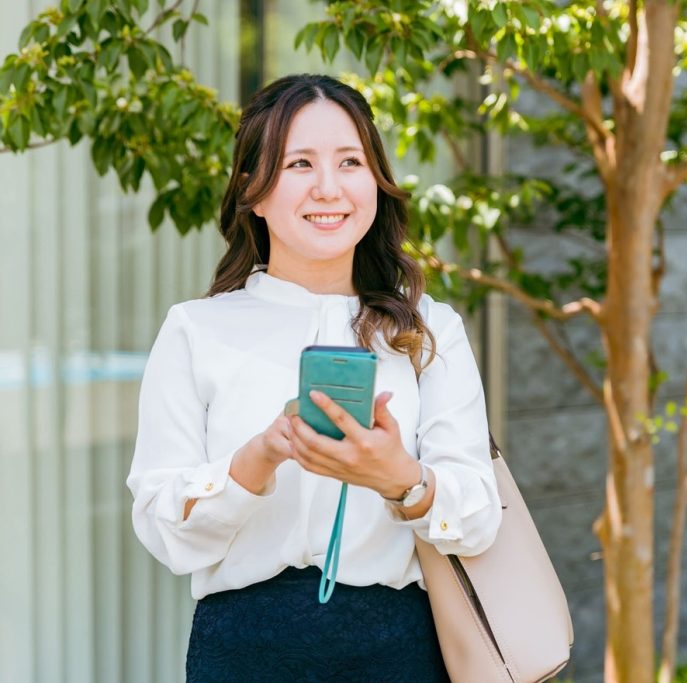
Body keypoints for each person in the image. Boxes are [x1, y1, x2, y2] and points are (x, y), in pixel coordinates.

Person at [126, 73, 502, 682]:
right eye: (300, 163)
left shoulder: (429, 329)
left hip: (400, 648)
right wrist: (259, 456)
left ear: (375, 182)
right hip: (243, 651)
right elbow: (166, 530)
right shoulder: (197, 330)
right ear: (253, 188)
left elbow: (481, 518)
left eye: (350, 161)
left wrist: (399, 479)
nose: (329, 187)